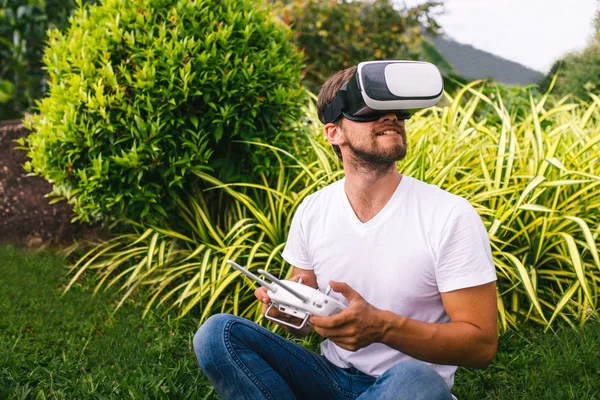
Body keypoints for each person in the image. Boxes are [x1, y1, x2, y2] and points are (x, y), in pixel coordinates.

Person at [193, 65, 498, 400]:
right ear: (333, 132)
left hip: (404, 389)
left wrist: (382, 327)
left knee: (417, 377)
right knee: (217, 334)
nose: (391, 117)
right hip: (330, 379)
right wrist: (293, 311)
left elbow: (481, 347)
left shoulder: (449, 215)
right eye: (371, 108)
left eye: (397, 109)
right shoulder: (313, 210)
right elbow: (309, 318)